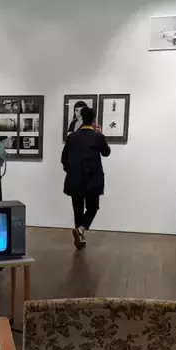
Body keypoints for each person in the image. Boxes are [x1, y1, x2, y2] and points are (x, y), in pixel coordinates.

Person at [61, 106, 111, 249]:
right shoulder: (98, 137)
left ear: (82, 118)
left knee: (77, 209)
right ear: (94, 120)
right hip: (92, 178)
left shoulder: (72, 137)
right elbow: (106, 152)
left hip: (74, 178)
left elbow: (64, 158)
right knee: (93, 207)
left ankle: (80, 236)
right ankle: (81, 230)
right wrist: (100, 134)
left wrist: (70, 171)